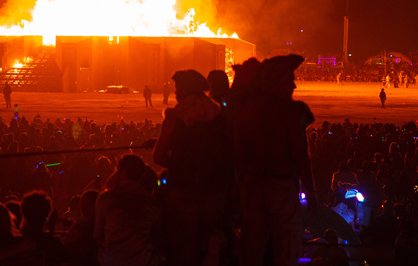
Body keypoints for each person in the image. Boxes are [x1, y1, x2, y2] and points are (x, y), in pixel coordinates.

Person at [232, 55, 317, 266]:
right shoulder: (290, 113)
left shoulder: (246, 111)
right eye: (289, 79)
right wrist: (312, 194)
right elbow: (299, 155)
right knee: (286, 250)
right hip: (281, 188)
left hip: (251, 186)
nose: (294, 85)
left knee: (251, 250)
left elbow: (239, 154)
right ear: (277, 83)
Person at [153, 69, 228, 266]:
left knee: (182, 250)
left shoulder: (175, 116)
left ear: (186, 89)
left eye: (178, 88)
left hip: (182, 192)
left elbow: (158, 156)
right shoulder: (219, 116)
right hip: (214, 192)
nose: (175, 93)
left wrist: (179, 164)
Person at [94, 153, 162, 266]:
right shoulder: (152, 202)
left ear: (122, 172)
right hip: (144, 261)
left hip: (111, 261)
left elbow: (98, 236)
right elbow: (158, 236)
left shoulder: (106, 199)